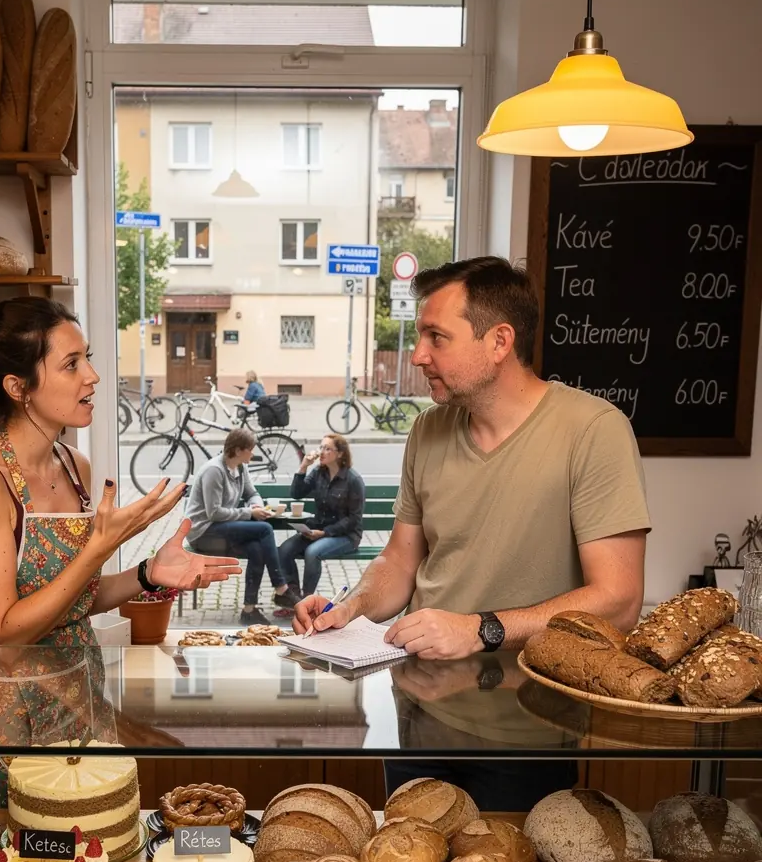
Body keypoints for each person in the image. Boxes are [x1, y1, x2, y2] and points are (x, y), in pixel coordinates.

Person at [293, 256, 651, 809]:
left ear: (499, 340)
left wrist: (478, 629)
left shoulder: (593, 431)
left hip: (530, 726)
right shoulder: (428, 429)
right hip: (418, 715)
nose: (417, 355)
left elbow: (619, 600)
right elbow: (399, 561)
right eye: (420, 336)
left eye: (437, 337)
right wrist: (351, 607)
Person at [0, 295, 240, 802]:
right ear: (18, 388)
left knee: (86, 859)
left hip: (77, 696)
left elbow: (76, 600)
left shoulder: (75, 466)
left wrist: (146, 574)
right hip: (1, 715)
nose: (93, 376)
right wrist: (96, 551)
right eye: (72, 364)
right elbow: (4, 635)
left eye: (88, 358)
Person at [185, 428, 301, 624]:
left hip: (222, 529)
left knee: (257, 549)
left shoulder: (240, 467)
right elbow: (214, 513)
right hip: (204, 532)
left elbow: (251, 493)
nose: (253, 453)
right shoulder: (214, 470)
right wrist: (249, 513)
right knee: (265, 530)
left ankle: (249, 610)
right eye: (250, 449)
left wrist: (255, 504)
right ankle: (281, 587)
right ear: (238, 450)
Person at [276, 434, 365, 608]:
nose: (321, 452)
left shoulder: (353, 480)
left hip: (345, 535)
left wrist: (325, 533)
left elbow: (354, 519)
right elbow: (296, 493)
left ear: (339, 454)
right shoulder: (318, 472)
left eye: (327, 448)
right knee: (284, 550)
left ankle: (307, 600)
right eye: (321, 447)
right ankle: (293, 598)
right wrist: (304, 466)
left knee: (312, 552)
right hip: (316, 530)